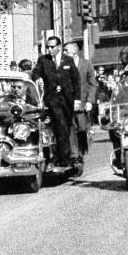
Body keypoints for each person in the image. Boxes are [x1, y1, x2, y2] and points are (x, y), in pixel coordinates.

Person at [32, 36, 81, 170]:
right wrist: (38, 78)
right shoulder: (44, 60)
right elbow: (35, 72)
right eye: (48, 47)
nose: (50, 49)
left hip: (67, 100)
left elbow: (76, 81)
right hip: (53, 99)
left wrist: (77, 99)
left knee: (67, 127)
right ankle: (62, 158)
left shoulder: (68, 60)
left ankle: (70, 156)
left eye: (52, 47)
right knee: (60, 125)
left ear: (59, 47)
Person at [65, 41, 96, 167]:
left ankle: (82, 151)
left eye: (66, 50)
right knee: (71, 128)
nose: (64, 53)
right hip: (68, 103)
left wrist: (90, 100)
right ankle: (75, 155)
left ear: (74, 51)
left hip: (82, 103)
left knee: (82, 128)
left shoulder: (86, 64)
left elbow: (92, 83)